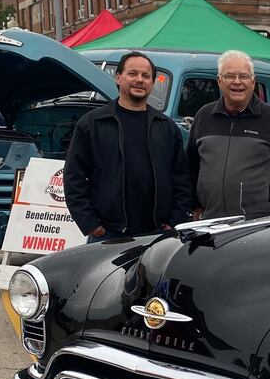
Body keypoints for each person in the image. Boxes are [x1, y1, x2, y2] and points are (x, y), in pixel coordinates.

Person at [65, 51, 191, 242]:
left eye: (146, 76)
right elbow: (74, 177)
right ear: (118, 77)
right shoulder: (92, 124)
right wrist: (90, 223)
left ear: (152, 82)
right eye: (133, 74)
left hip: (157, 235)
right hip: (108, 234)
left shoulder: (166, 127)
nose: (140, 80)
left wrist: (175, 220)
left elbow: (181, 178)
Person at [187, 49, 270, 220]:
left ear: (253, 81)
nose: (237, 82)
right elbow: (190, 166)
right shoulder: (204, 116)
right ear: (219, 81)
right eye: (229, 76)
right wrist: (195, 205)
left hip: (257, 225)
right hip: (210, 221)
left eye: (243, 76)